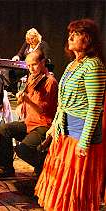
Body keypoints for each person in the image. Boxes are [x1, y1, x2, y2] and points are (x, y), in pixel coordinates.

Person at [35, 19, 106, 211]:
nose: (71, 37)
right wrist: (54, 126)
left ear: (89, 39)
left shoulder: (94, 66)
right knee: (60, 182)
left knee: (75, 187)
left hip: (80, 134)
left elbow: (95, 107)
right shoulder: (72, 65)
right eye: (70, 33)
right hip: (64, 133)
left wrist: (84, 141)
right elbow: (62, 103)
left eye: (77, 33)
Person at [0, 49, 58, 179]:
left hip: (43, 126)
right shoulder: (32, 77)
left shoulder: (50, 82)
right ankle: (5, 168)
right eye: (28, 65)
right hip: (29, 122)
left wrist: (28, 101)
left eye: (34, 64)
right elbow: (26, 100)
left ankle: (45, 167)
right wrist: (21, 102)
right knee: (4, 129)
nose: (30, 68)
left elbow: (42, 110)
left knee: (23, 150)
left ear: (43, 62)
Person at [8, 28, 51, 94]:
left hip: (37, 68)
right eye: (29, 38)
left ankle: (30, 92)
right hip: (26, 66)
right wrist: (17, 57)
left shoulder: (43, 45)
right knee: (11, 72)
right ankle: (14, 91)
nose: (31, 40)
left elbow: (46, 58)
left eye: (32, 38)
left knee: (30, 73)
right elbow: (20, 53)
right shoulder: (27, 44)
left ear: (36, 37)